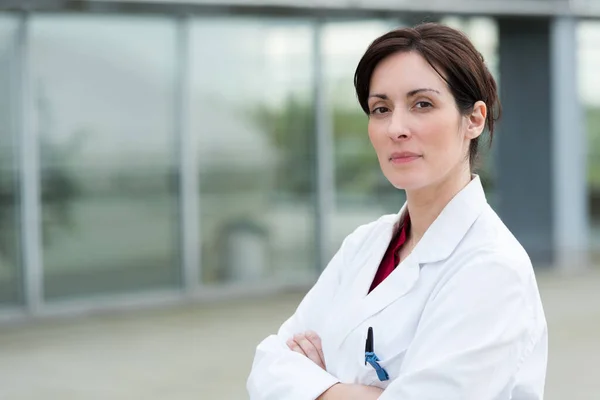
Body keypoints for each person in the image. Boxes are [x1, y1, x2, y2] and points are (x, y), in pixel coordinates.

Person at [247, 22, 548, 400]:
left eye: (422, 104)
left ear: (473, 119)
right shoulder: (364, 245)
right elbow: (267, 368)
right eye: (381, 108)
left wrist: (317, 385)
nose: (396, 128)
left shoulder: (492, 269)